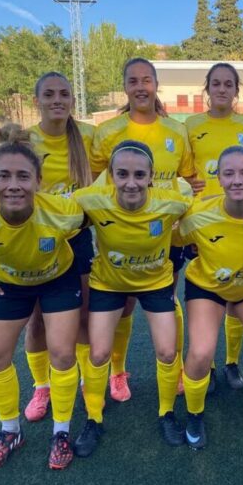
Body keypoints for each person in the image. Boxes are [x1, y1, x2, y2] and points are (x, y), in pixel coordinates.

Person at [0, 72, 95, 423]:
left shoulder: (89, 136)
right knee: (36, 322)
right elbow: (4, 174)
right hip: (33, 230)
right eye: (49, 94)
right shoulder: (25, 138)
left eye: (64, 94)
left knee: (79, 315)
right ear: (38, 101)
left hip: (73, 231)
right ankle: (41, 385)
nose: (57, 100)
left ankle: (75, 378)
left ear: (73, 100)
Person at [0, 125, 84, 469]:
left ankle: (61, 431)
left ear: (38, 181)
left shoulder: (63, 212)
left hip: (57, 279)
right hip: (9, 284)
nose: (14, 185)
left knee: (64, 353)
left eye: (23, 176)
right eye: (3, 176)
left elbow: (84, 228)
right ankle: (10, 430)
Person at [72, 141, 191, 455]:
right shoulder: (91, 200)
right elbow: (44, 204)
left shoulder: (172, 202)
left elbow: (211, 206)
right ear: (110, 175)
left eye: (139, 174)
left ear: (151, 176)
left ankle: (166, 413)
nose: (131, 182)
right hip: (109, 284)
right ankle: (93, 418)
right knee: (98, 354)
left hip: (156, 283)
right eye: (122, 174)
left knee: (167, 351)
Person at [90, 57, 198, 403]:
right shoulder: (108, 131)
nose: (140, 87)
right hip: (121, 229)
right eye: (133, 81)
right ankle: (117, 374)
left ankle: (175, 367)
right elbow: (94, 182)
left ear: (156, 85)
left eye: (146, 80)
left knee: (167, 293)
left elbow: (189, 179)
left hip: (166, 229)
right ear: (125, 87)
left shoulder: (175, 130)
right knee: (122, 306)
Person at [175, 146, 243, 449]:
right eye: (229, 173)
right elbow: (172, 237)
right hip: (207, 288)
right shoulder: (198, 215)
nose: (237, 180)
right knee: (200, 352)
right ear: (219, 178)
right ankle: (195, 413)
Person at [185, 63, 243, 391]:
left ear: (236, 90)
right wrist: (189, 185)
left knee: (236, 288)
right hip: (203, 218)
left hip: (240, 216)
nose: (223, 89)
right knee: (210, 286)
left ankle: (231, 362)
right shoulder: (191, 124)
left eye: (229, 84)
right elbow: (185, 169)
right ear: (208, 89)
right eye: (217, 83)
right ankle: (208, 365)